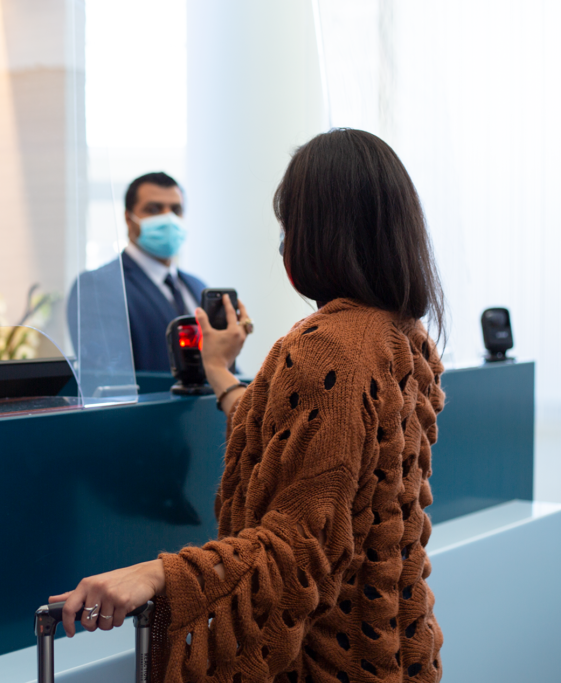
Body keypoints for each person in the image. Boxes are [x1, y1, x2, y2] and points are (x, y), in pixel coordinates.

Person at [49, 129, 446, 683]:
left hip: (325, 660)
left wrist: (158, 574)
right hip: (396, 647)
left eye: (288, 226)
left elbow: (296, 549)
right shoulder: (403, 337)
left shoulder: (327, 345)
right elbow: (312, 453)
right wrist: (219, 372)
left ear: (316, 233)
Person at [70, 172, 208, 372]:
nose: (168, 218)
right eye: (153, 209)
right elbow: (108, 375)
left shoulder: (197, 286)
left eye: (176, 210)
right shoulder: (98, 286)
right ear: (128, 219)